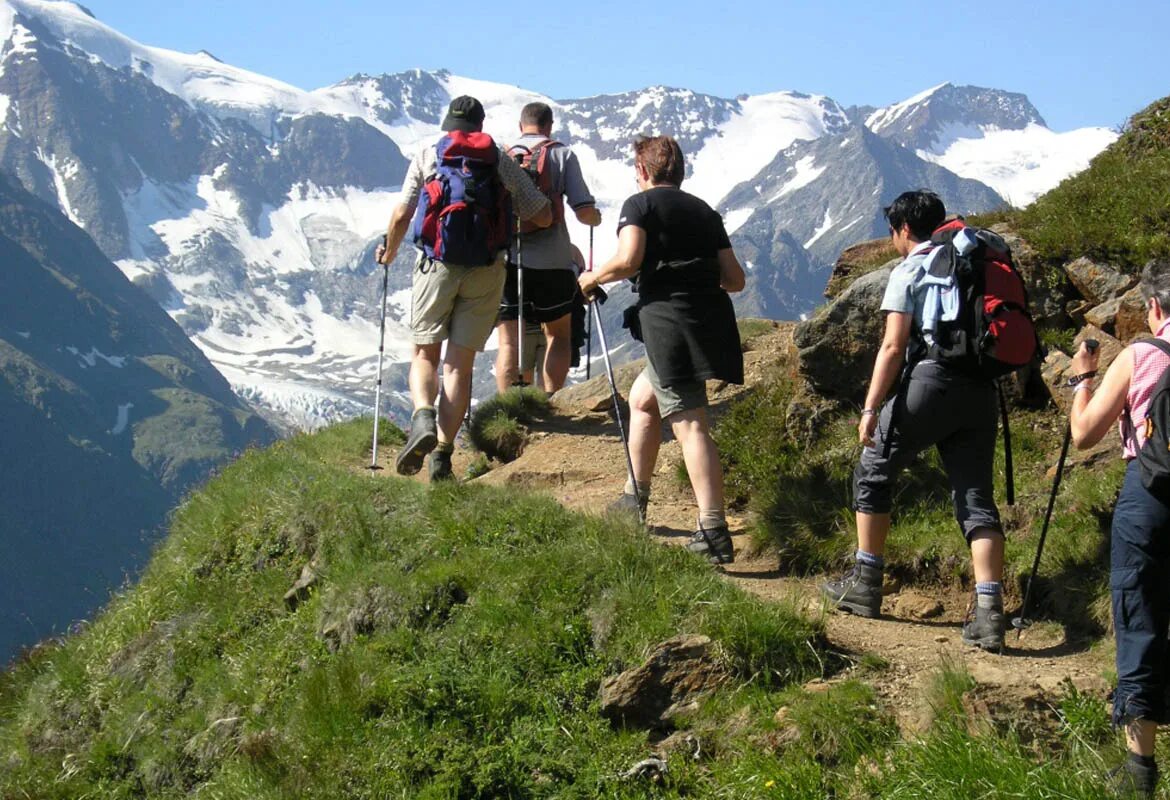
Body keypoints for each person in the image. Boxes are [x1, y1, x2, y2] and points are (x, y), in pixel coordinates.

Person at [820, 190, 1008, 651]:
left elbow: (892, 346)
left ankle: (866, 582)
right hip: (982, 390)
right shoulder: (971, 259)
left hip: (930, 382)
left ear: (904, 229)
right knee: (975, 498)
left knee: (873, 469)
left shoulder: (911, 268)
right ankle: (989, 613)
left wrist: (869, 409)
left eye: (893, 232)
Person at [578, 135, 746, 564]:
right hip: (708, 318)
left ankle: (713, 528)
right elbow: (735, 279)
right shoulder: (705, 211)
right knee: (643, 400)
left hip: (667, 323)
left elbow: (630, 259)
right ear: (681, 171)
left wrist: (593, 277)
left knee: (689, 422)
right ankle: (634, 497)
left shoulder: (640, 206)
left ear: (642, 171)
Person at [378, 96, 551, 481]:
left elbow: (403, 213)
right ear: (480, 124)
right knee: (460, 364)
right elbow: (541, 212)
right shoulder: (499, 159)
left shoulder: (429, 152)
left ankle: (423, 415)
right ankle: (441, 455)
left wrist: (389, 252)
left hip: (437, 266)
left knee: (425, 353)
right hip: (486, 269)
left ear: (449, 123)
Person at [1067, 259, 1170, 798]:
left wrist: (1083, 378)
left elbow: (1084, 434)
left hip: (1150, 499)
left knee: (1140, 620)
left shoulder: (1142, 354)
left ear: (1153, 307)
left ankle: (1140, 772)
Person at [495, 102, 601, 394]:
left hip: (507, 260)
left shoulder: (502, 156)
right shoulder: (561, 153)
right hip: (553, 262)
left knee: (508, 342)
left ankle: (510, 410)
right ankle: (552, 403)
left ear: (521, 126)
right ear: (549, 126)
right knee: (558, 336)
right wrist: (595, 217)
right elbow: (583, 210)